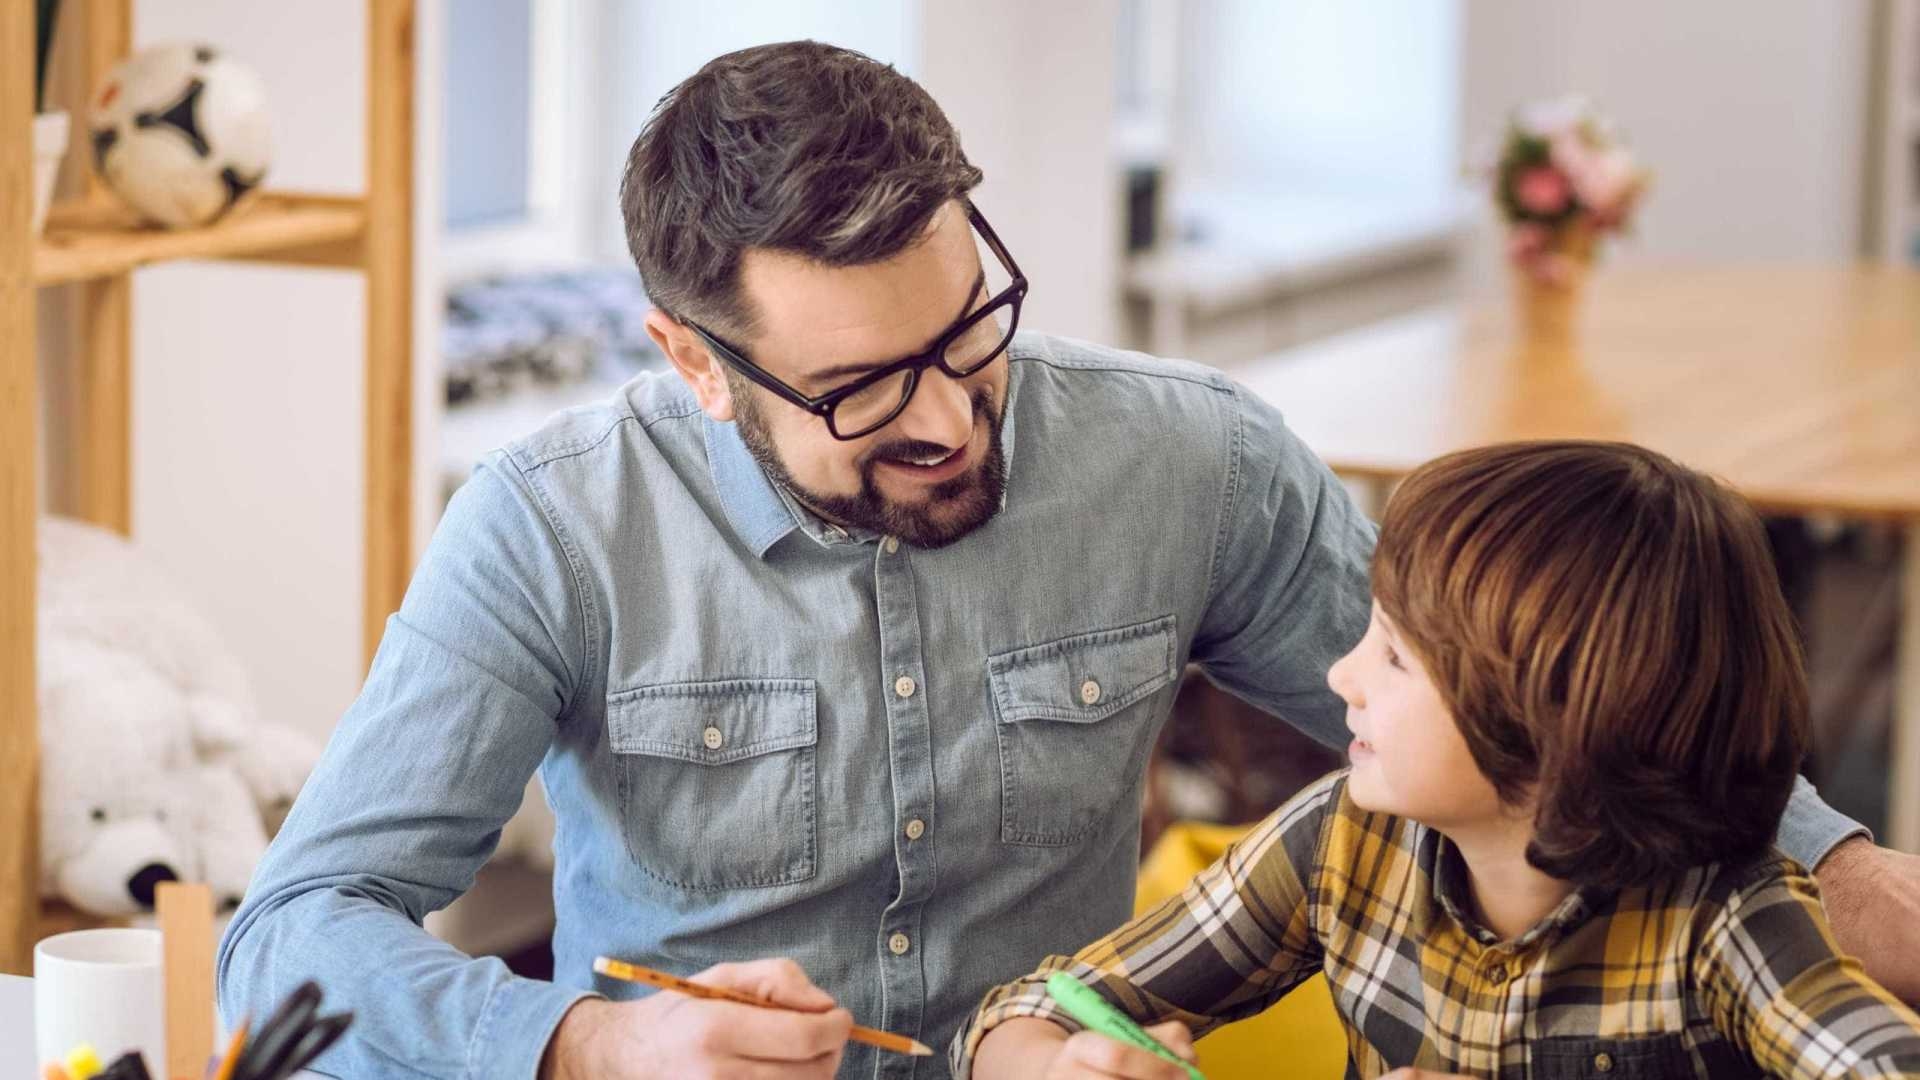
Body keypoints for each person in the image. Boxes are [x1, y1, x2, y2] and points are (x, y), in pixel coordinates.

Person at [217, 42, 1920, 1080]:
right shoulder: (546, 525)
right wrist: (585, 1046)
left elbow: (1538, 704)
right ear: (693, 362)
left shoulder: (1188, 458)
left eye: (973, 331)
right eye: (866, 393)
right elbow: (289, 933)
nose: (953, 420)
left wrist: (1844, 879)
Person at [956, 441, 1920, 1080]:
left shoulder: (1732, 919)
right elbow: (1030, 1005)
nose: (1340, 675)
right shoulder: (1343, 836)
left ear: (1551, 725)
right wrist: (1049, 1063)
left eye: (1395, 656)